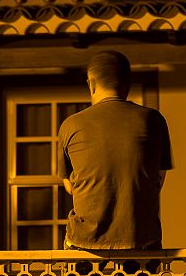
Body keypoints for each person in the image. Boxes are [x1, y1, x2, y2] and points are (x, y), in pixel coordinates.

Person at [58, 50, 173, 251]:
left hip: (85, 240)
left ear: (91, 84)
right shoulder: (153, 120)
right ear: (127, 84)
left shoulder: (71, 125)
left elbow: (69, 185)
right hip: (141, 237)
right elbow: (159, 179)